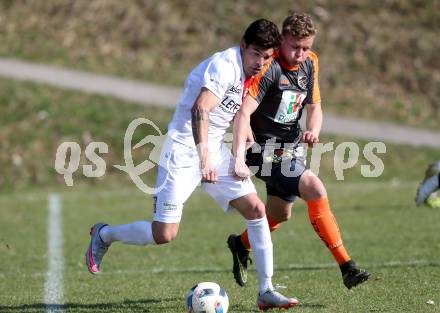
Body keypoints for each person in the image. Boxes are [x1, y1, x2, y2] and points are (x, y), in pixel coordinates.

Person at [85, 19, 300, 310]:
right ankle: (104, 234)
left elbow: (238, 115)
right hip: (184, 150)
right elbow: (200, 109)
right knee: (165, 234)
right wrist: (204, 157)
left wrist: (240, 152)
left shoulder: (253, 73)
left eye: (266, 56)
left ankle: (266, 291)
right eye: (255, 54)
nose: (260, 62)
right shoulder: (225, 66)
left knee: (256, 209)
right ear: (243, 46)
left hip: (215, 150)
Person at [228, 13, 371, 290]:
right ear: (282, 41)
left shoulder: (310, 62)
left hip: (290, 147)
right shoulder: (269, 68)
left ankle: (240, 244)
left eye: (306, 47)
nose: (300, 54)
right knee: (315, 188)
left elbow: (314, 107)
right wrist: (240, 153)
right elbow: (244, 112)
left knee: (280, 214)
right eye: (295, 47)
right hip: (262, 150)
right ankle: (347, 267)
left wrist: (313, 130)